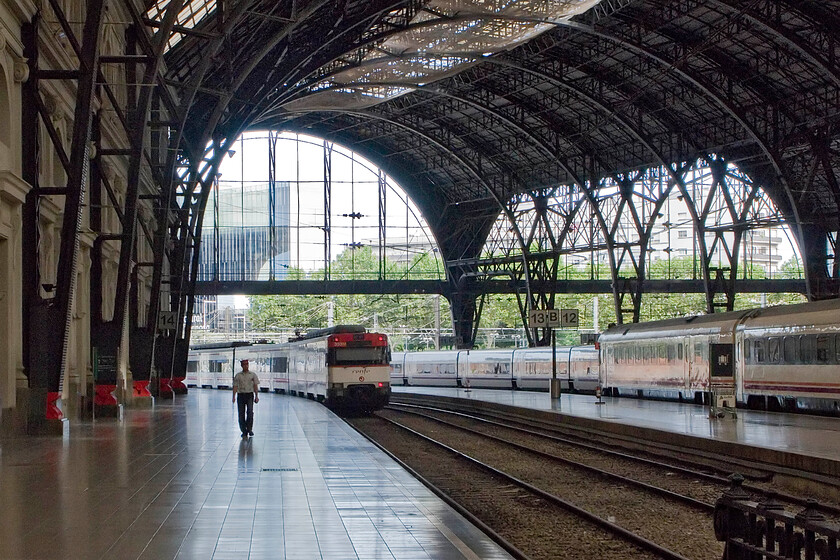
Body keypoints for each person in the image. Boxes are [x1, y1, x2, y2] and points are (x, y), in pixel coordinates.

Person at [232, 359, 260, 437]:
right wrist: (233, 396)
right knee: (241, 414)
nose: (245, 366)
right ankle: (243, 430)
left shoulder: (252, 375)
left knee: (250, 412)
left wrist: (257, 396)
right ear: (241, 366)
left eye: (247, 364)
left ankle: (249, 429)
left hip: (249, 395)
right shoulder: (238, 375)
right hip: (241, 395)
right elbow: (235, 386)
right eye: (244, 364)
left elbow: (255, 386)